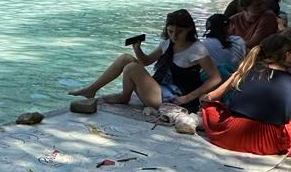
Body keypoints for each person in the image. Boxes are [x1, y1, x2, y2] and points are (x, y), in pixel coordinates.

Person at [68, 9, 220, 110]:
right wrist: (137, 48)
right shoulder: (167, 43)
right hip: (158, 88)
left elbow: (215, 78)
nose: (174, 35)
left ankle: (124, 97)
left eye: (179, 32)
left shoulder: (197, 49)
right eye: (170, 31)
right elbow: (146, 61)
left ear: (189, 29)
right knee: (125, 58)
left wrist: (187, 98)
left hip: (172, 98)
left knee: (131, 68)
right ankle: (92, 89)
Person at [200, 30, 291, 156]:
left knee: (212, 107)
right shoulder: (288, 79)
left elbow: (209, 98)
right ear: (287, 55)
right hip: (268, 142)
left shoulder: (246, 71)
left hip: (230, 134)